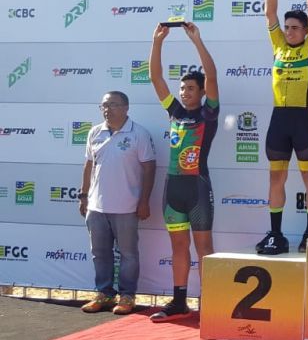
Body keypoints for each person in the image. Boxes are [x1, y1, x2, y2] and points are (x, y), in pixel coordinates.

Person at [149, 22, 219, 322]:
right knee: (178, 246)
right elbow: (156, 78)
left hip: (198, 187)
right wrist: (157, 42)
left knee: (204, 247)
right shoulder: (175, 112)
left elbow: (212, 75)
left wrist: (196, 41)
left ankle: (210, 303)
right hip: (173, 188)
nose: (184, 92)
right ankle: (179, 302)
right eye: (182, 88)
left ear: (202, 92)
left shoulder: (208, 113)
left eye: (191, 88)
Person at [256, 0, 308, 255]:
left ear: (306, 31)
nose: (289, 31)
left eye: (295, 27)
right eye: (287, 27)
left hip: (302, 121)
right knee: (276, 178)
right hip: (279, 122)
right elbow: (269, 11)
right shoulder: (279, 47)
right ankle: (275, 233)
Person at [79, 91, 155, 315]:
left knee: (128, 254)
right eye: (103, 105)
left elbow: (149, 168)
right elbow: (88, 165)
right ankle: (104, 293)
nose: (107, 109)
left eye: (113, 104)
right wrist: (84, 196)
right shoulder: (95, 132)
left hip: (127, 206)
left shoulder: (139, 133)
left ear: (126, 108)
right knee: (99, 253)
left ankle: (127, 296)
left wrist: (144, 201)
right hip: (96, 206)